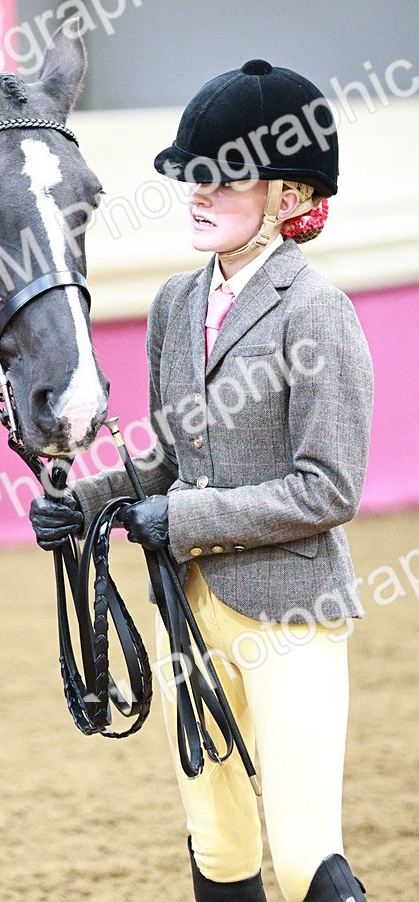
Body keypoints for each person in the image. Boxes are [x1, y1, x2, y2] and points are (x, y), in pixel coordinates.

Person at [29, 59, 375, 902]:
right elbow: (168, 462)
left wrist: (179, 520)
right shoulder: (174, 306)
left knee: (301, 858)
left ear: (289, 198)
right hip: (192, 613)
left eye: (225, 178)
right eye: (195, 175)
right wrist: (82, 505)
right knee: (218, 848)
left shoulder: (315, 310)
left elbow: (329, 490)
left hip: (290, 613)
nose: (197, 192)